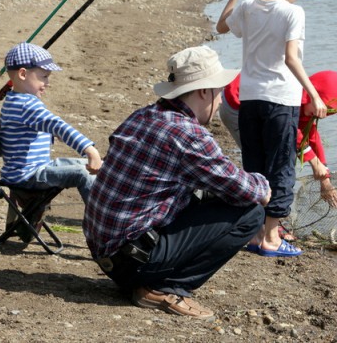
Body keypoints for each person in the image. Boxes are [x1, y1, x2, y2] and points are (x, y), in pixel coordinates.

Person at [82, 45, 271, 319]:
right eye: (218, 93)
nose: (219, 102)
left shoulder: (143, 115)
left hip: (106, 252)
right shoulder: (189, 134)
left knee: (212, 194)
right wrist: (264, 185)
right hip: (131, 261)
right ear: (204, 91)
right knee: (251, 213)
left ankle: (151, 279)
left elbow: (219, 180)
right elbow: (247, 190)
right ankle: (163, 287)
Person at [215, 0, 327, 258]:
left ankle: (255, 233)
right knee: (280, 168)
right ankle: (271, 239)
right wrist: (314, 95)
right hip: (281, 99)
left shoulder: (250, 6)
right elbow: (292, 58)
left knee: (255, 166)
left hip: (250, 99)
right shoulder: (294, 12)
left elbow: (222, 26)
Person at [220, 71, 337, 209]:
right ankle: (260, 216)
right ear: (313, 96)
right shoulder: (292, 96)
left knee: (275, 158)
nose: (318, 117)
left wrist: (324, 176)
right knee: (262, 161)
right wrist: (314, 163)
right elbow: (289, 132)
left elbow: (312, 136)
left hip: (258, 102)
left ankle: (266, 213)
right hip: (236, 104)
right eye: (319, 112)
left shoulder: (307, 105)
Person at [0, 42, 102, 203]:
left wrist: (50, 133)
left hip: (36, 168)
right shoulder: (26, 105)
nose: (47, 83)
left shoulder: (14, 100)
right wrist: (89, 150)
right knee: (83, 173)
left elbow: (37, 127)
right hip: (28, 175)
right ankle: (101, 219)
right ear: (23, 74)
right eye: (44, 76)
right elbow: (57, 125)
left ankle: (111, 209)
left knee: (96, 166)